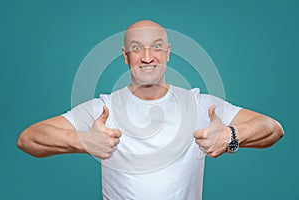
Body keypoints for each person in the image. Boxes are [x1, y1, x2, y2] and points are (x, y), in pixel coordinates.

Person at [17, 20, 284, 200]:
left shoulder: (201, 104)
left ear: (167, 53)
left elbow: (273, 128)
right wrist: (81, 140)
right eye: (137, 48)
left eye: (156, 47)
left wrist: (231, 136)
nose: (147, 57)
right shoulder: (103, 109)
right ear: (125, 56)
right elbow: (27, 139)